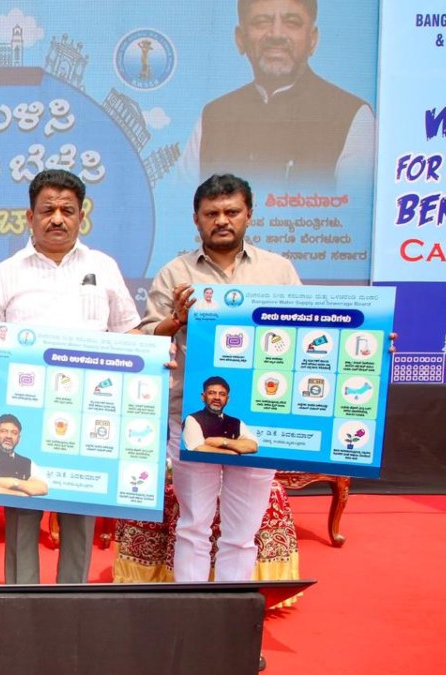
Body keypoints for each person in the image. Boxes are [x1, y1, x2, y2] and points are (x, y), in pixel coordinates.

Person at [139, 173, 300, 674]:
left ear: (249, 214)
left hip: (259, 423)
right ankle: (190, 629)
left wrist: (371, 343)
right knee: (192, 526)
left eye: (231, 211)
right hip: (191, 421)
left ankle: (232, 634)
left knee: (241, 535)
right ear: (196, 219)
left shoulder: (278, 271)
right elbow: (146, 338)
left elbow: (308, 331)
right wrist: (175, 321)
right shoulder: (176, 273)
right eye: (212, 213)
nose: (222, 221)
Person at [0, 168, 141, 586]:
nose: (58, 219)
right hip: (23, 418)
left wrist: (153, 361)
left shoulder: (104, 267)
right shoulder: (6, 272)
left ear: (82, 216)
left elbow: (130, 333)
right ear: (30, 217)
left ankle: (72, 604)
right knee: (21, 517)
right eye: (48, 210)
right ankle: (20, 603)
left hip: (89, 418)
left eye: (68, 210)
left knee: (80, 519)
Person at [180, 0, 374, 190]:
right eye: (261, 22)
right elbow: (180, 202)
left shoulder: (352, 117)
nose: (276, 35)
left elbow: (353, 206)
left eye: (292, 23)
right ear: (240, 39)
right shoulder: (213, 117)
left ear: (312, 40)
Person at [0, 414, 49, 497]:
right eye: (4, 431)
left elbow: (43, 488)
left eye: (14, 433)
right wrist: (22, 494)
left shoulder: (26, 462)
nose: (9, 436)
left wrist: (14, 483)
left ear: (19, 438)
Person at [183, 377, 260, 455]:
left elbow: (253, 446)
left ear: (227, 399)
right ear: (203, 397)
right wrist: (232, 453)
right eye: (212, 393)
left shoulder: (236, 422)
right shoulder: (192, 419)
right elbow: (198, 449)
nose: (217, 397)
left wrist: (223, 441)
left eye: (222, 394)